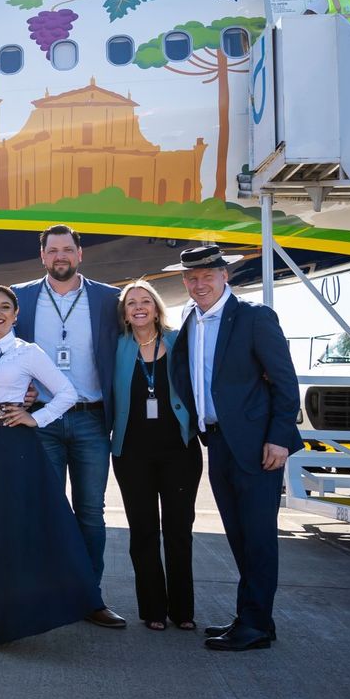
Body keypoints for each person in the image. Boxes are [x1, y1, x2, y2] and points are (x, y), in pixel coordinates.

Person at [0, 285, 99, 646]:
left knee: (12, 530)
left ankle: (14, 616)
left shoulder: (28, 353)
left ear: (15, 314)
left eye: (4, 307)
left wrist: (35, 419)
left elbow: (67, 392)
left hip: (15, 447)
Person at [167, 245, 303, 652]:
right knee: (239, 536)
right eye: (191, 277)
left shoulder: (254, 318)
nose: (199, 283)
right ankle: (256, 617)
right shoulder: (191, 321)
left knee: (258, 537)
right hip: (219, 441)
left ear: (225, 276)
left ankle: (255, 624)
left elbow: (285, 381)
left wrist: (279, 438)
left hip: (259, 445)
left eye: (208, 275)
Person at [10, 224, 127, 628]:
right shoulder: (21, 297)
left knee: (91, 513)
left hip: (91, 420)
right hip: (40, 419)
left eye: (67, 249)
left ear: (80, 253)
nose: (60, 256)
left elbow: (147, 331)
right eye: (52, 250)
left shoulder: (109, 299)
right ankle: (43, 595)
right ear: (42, 256)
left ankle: (89, 597)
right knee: (43, 510)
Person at [109, 280, 200, 632]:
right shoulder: (117, 347)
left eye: (145, 300)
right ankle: (153, 610)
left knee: (179, 531)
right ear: (125, 313)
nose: (139, 307)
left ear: (157, 306)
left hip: (179, 451)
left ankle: (183, 610)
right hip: (132, 454)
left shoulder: (180, 342)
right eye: (131, 303)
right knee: (143, 532)